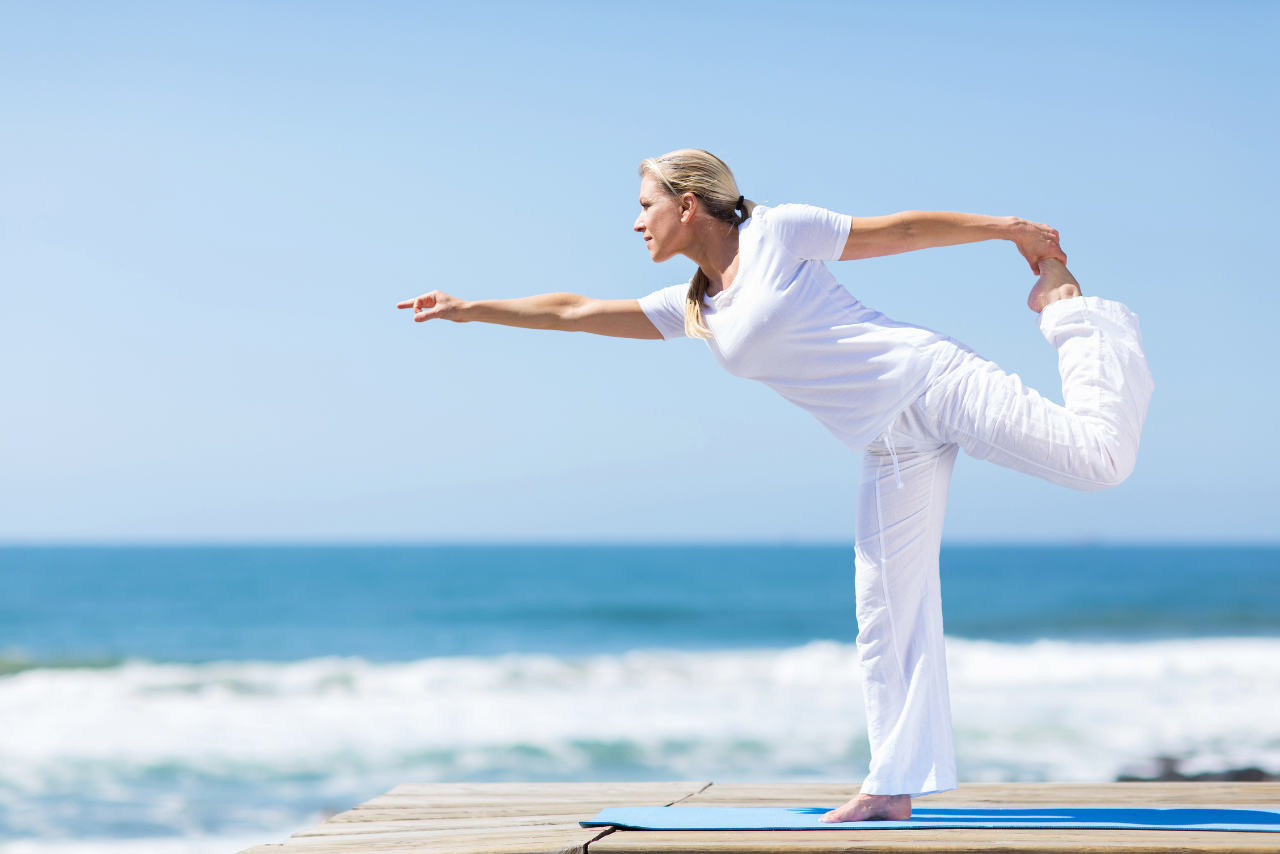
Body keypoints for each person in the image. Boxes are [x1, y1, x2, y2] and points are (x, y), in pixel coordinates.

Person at [396, 149, 1153, 822]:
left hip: (931, 380)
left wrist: (1009, 230)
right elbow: (577, 311)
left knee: (1099, 461)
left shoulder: (777, 233)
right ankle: (893, 785)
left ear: (687, 205)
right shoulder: (695, 307)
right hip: (889, 444)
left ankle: (1070, 309)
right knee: (885, 610)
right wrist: (472, 309)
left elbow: (901, 231)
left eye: (644, 205)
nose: (635, 223)